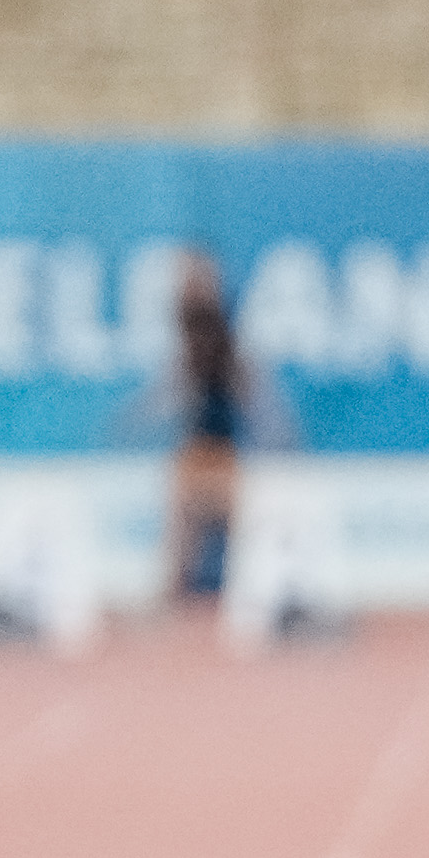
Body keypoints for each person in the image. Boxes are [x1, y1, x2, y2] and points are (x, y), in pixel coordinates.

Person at [120, 256, 297, 601]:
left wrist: (279, 446)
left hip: (225, 461)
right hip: (195, 460)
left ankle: (242, 593)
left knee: (239, 531)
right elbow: (164, 397)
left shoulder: (230, 355)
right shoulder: (189, 355)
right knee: (181, 522)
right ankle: (175, 591)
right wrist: (131, 422)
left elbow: (263, 409)